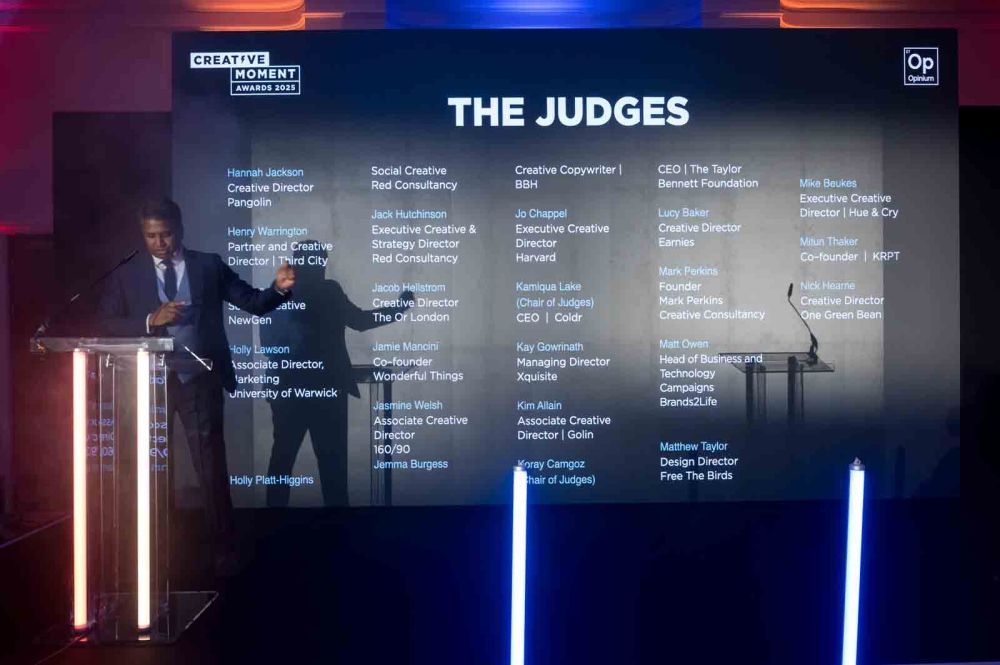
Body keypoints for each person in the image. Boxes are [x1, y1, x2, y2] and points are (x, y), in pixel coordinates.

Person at [100, 197, 294, 576]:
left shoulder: (208, 265)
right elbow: (105, 322)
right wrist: (149, 319)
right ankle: (154, 551)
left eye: (166, 234)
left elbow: (253, 302)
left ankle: (224, 550)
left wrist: (279, 289)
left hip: (199, 380)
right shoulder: (126, 273)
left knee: (210, 469)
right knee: (150, 468)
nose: (159, 243)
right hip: (148, 382)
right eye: (151, 236)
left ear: (180, 229)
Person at [261, 241, 411, 507]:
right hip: (327, 392)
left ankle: (273, 525)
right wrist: (397, 310)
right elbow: (361, 321)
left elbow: (267, 344)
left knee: (282, 462)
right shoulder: (329, 292)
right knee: (333, 469)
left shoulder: (278, 292)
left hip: (289, 392)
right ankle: (338, 525)